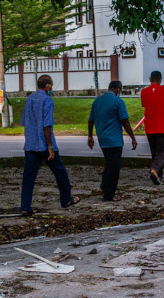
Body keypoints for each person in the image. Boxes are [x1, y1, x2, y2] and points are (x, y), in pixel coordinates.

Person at [19, 75, 80, 215]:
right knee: (60, 172)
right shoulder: (47, 100)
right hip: (44, 145)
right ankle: (66, 199)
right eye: (50, 85)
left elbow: (25, 122)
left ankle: (25, 206)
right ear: (47, 86)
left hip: (30, 144)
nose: (51, 88)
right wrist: (50, 147)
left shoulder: (29, 100)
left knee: (28, 177)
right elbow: (47, 125)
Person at [87, 80, 136, 202]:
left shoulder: (97, 101)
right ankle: (109, 194)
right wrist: (133, 137)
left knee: (109, 164)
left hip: (102, 139)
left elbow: (90, 120)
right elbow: (125, 121)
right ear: (118, 89)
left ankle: (104, 186)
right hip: (114, 140)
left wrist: (90, 136)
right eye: (120, 90)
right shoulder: (118, 101)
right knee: (113, 168)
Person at [140, 70, 164, 185]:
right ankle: (154, 170)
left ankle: (159, 174)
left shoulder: (144, 92)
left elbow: (146, 104)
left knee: (154, 151)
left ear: (150, 79)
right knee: (162, 151)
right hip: (163, 126)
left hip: (150, 126)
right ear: (160, 79)